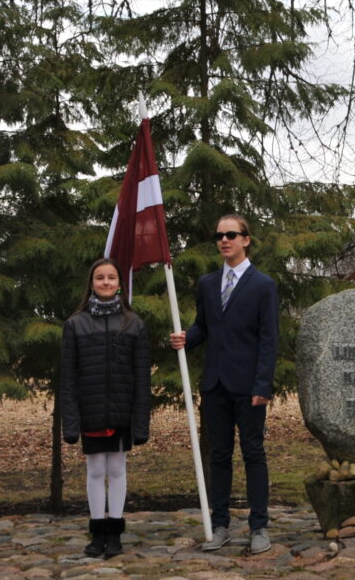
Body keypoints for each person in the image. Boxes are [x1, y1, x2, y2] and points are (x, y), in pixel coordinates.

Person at [169, 214, 279, 554]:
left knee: (253, 454)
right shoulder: (207, 283)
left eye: (231, 234)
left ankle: (258, 526)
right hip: (215, 383)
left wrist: (263, 385)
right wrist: (187, 337)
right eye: (219, 236)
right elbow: (204, 325)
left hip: (249, 387)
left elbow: (269, 339)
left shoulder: (263, 285)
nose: (224, 240)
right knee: (219, 456)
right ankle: (220, 525)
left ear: (246, 239)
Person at [61, 258, 151, 559]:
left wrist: (141, 422)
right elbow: (68, 377)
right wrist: (71, 421)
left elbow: (142, 377)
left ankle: (115, 532)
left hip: (122, 410)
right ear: (91, 283)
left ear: (120, 284)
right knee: (96, 469)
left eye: (111, 277)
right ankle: (97, 530)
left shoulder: (134, 324)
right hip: (91, 410)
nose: (106, 282)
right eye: (100, 278)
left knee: (117, 468)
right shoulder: (75, 324)